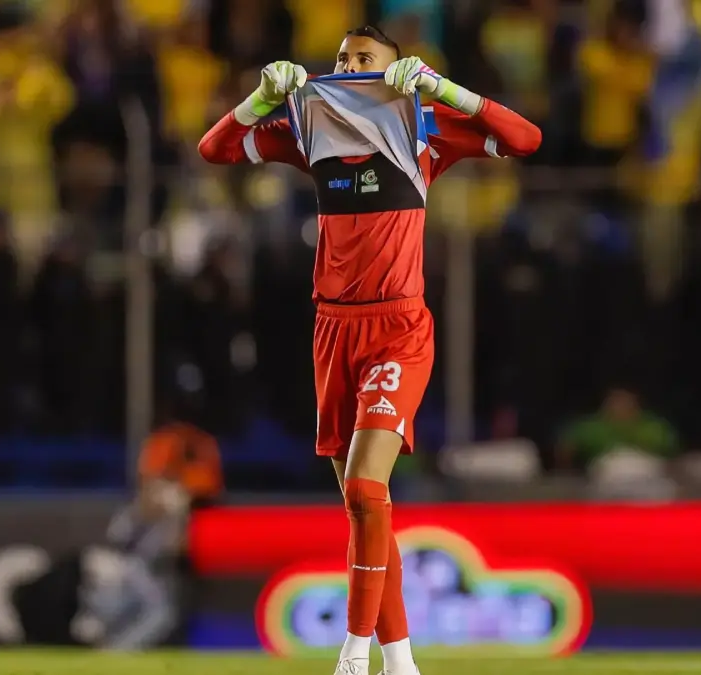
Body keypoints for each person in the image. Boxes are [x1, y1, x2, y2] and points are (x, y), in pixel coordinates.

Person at [198, 25, 541, 675]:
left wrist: (445, 89)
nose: (348, 67)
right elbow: (215, 149)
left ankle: (353, 656)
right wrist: (262, 98)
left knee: (363, 484)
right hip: (333, 331)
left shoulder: (422, 132)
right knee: (367, 506)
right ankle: (401, 663)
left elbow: (526, 138)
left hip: (398, 329)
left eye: (365, 59)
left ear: (395, 71)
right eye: (341, 59)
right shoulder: (311, 132)